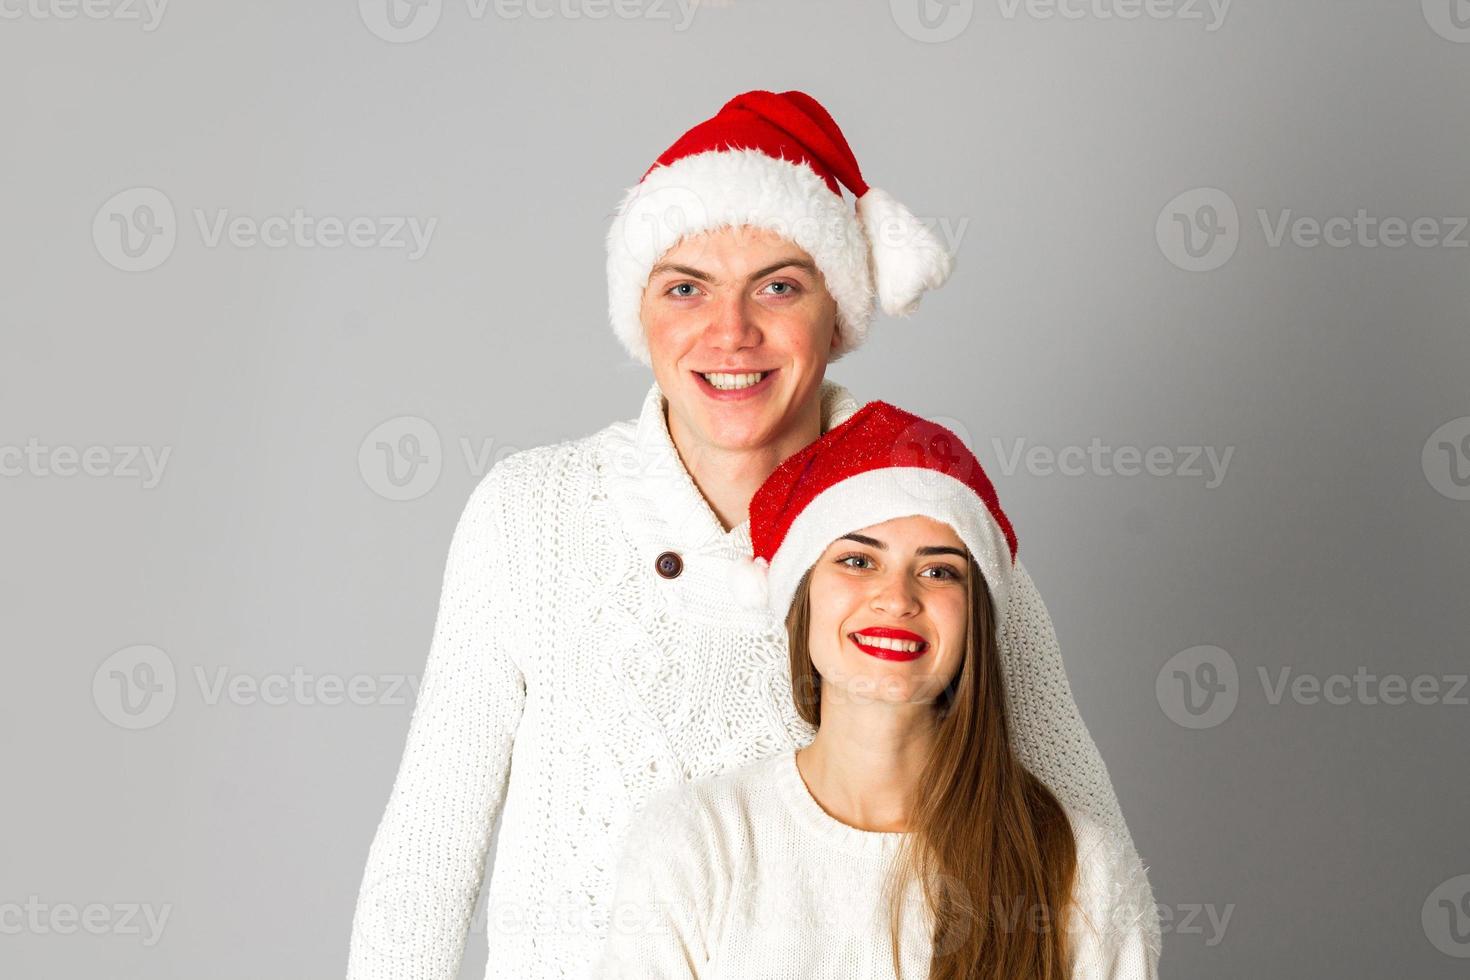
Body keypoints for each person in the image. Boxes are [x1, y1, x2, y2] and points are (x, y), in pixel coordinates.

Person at [346, 89, 1160, 980]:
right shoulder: (530, 516)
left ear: (837, 313)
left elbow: (1080, 862)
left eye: (778, 285)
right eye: (686, 288)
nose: (730, 334)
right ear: (641, 314)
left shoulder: (930, 536)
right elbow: (423, 861)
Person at [596, 402, 1160, 979]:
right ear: (802, 596)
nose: (897, 598)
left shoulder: (1079, 872)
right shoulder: (698, 842)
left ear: (977, 621)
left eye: (939, 571)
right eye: (859, 560)